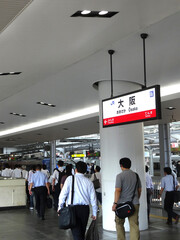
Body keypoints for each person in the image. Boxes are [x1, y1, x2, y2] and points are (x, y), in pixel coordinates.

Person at [58, 161, 98, 240]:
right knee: (81, 232)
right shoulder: (89, 182)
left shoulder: (70, 179)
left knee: (76, 233)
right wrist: (94, 212)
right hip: (85, 210)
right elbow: (93, 198)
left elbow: (63, 194)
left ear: (75, 170)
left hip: (72, 209)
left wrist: (60, 207)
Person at [112, 157, 142, 240]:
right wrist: (136, 199)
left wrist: (115, 203)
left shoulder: (119, 176)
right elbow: (139, 190)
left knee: (119, 223)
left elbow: (118, 190)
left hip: (121, 204)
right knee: (134, 225)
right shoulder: (136, 175)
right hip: (134, 203)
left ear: (121, 165)